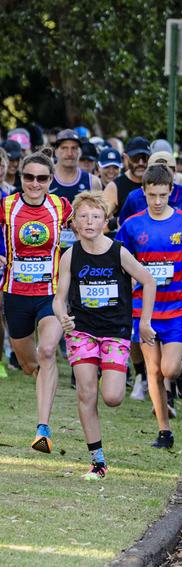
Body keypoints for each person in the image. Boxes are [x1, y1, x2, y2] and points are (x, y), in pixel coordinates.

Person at [53, 192, 157, 478]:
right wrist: (62, 315)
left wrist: (144, 322)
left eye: (95, 217)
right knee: (86, 392)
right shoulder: (70, 255)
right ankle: (97, 461)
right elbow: (60, 297)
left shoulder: (118, 251)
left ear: (105, 222)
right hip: (82, 330)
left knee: (112, 397)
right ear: (73, 223)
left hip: (115, 331)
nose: (89, 222)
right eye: (83, 217)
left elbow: (148, 281)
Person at [118, 165, 182, 448]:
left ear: (171, 191)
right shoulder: (132, 225)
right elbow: (121, 264)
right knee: (153, 370)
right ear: (143, 193)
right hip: (143, 310)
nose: (157, 201)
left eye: (162, 195)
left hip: (178, 308)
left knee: (169, 369)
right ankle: (164, 431)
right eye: (151, 196)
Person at [2, 153, 74, 452]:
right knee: (29, 364)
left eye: (42, 178)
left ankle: (42, 429)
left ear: (50, 181)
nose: (35, 183)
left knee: (47, 352)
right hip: (16, 295)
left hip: (51, 294)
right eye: (29, 177)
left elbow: (86, 230)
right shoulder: (6, 206)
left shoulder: (62, 207)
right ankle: (40, 379)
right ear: (20, 178)